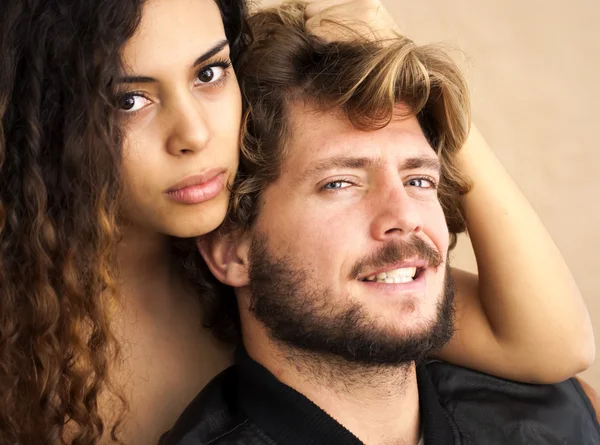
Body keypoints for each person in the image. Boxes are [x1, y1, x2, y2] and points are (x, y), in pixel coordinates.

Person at [0, 0, 594, 444]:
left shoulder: (273, 255)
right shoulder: (22, 328)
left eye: (209, 73)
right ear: (40, 118)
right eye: (128, 100)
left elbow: (552, 345)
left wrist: (409, 75)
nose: (196, 136)